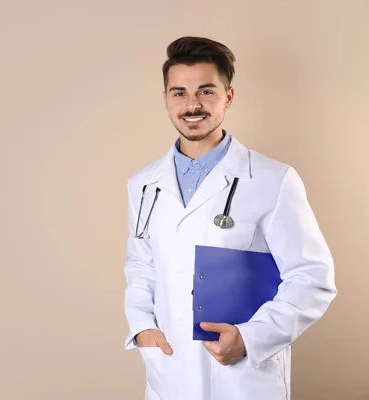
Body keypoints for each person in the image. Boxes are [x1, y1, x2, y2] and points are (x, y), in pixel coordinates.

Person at [122, 36, 337, 400]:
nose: (192, 105)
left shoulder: (273, 179)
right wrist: (143, 328)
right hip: (169, 373)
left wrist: (251, 339)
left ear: (229, 97)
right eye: (179, 93)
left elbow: (313, 278)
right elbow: (140, 266)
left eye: (206, 91)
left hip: (242, 377)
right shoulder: (143, 184)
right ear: (165, 100)